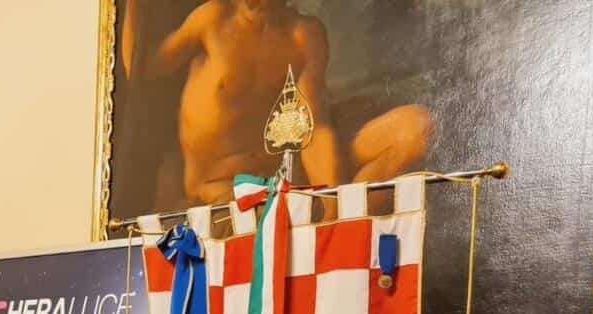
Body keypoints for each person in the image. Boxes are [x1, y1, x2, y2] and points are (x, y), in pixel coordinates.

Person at [126, 0, 431, 207]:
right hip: (221, 189)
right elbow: (142, 68)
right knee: (265, 221)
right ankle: (338, 219)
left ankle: (342, 220)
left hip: (287, 178)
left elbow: (314, 131)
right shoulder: (212, 19)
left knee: (416, 129)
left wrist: (333, 204)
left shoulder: (303, 35)